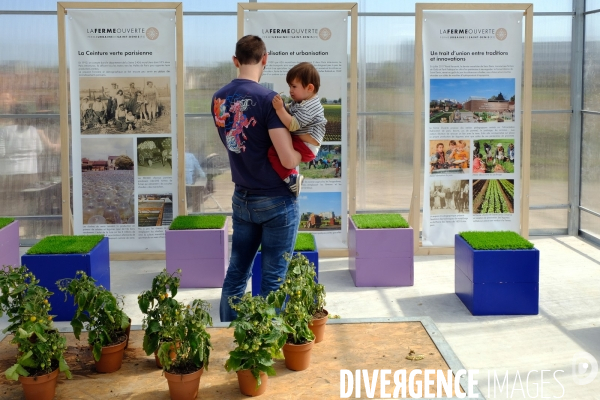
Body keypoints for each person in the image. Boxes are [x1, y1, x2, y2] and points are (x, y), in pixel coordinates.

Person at [211, 35, 301, 322]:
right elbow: (287, 159)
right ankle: (266, 344)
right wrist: (303, 157)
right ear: (265, 58)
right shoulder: (268, 100)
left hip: (242, 197)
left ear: (235, 61)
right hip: (276, 199)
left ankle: (228, 338)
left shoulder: (218, 98)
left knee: (237, 272)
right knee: (273, 279)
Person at [270, 62, 327, 196]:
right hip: (304, 142)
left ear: (309, 88)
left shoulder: (310, 106)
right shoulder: (301, 101)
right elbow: (291, 110)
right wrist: (284, 107)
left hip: (306, 146)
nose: (290, 90)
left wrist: (279, 109)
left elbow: (293, 124)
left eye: (294, 86)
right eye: (289, 86)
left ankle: (291, 177)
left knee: (272, 152)